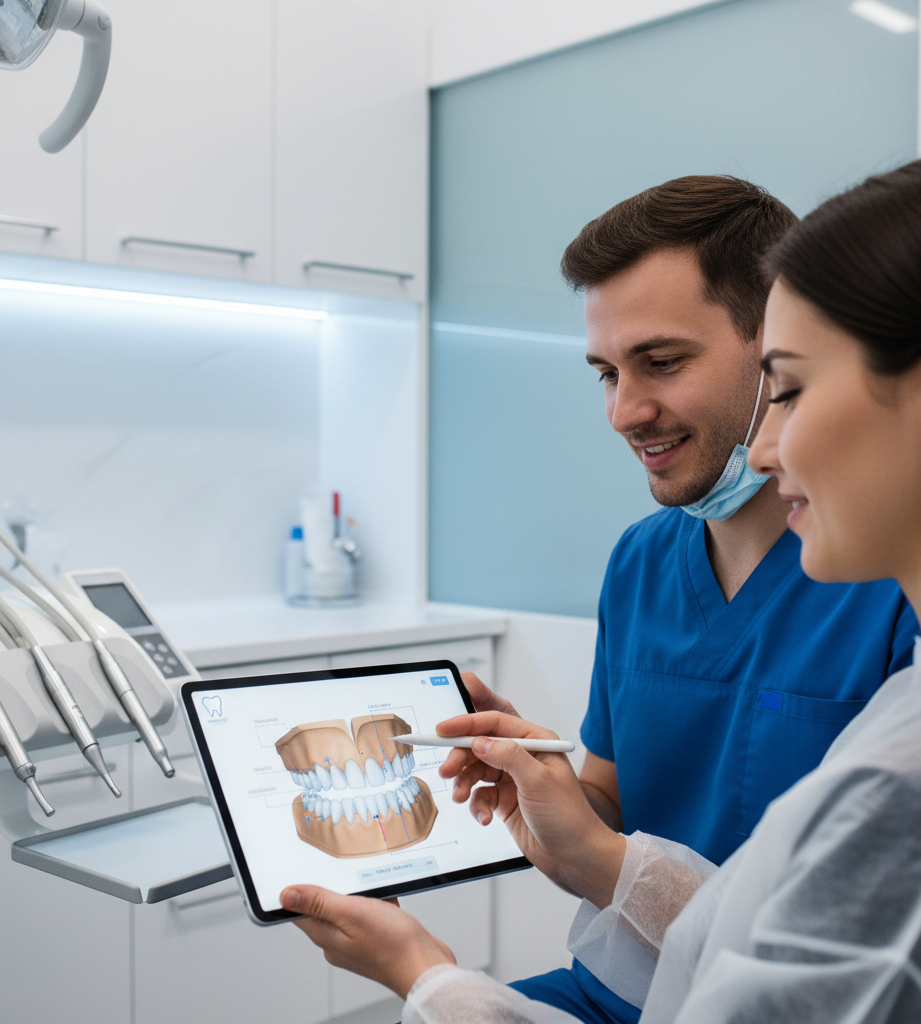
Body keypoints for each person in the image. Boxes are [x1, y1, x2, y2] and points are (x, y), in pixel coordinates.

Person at [280, 158, 921, 1022]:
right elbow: (610, 807)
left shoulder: (886, 580)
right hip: (616, 984)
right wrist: (540, 790)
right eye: (607, 374)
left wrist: (424, 973)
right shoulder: (643, 562)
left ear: (771, 352)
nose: (624, 411)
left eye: (660, 362)